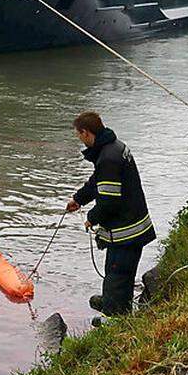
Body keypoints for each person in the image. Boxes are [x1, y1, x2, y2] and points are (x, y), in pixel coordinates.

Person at [65, 111, 156, 322]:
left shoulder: (107, 158)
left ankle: (115, 322)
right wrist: (79, 199)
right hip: (135, 223)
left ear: (86, 133)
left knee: (117, 276)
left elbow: (109, 202)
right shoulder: (114, 147)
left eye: (79, 135)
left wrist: (92, 217)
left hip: (126, 232)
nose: (79, 139)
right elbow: (98, 181)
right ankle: (115, 304)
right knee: (120, 275)